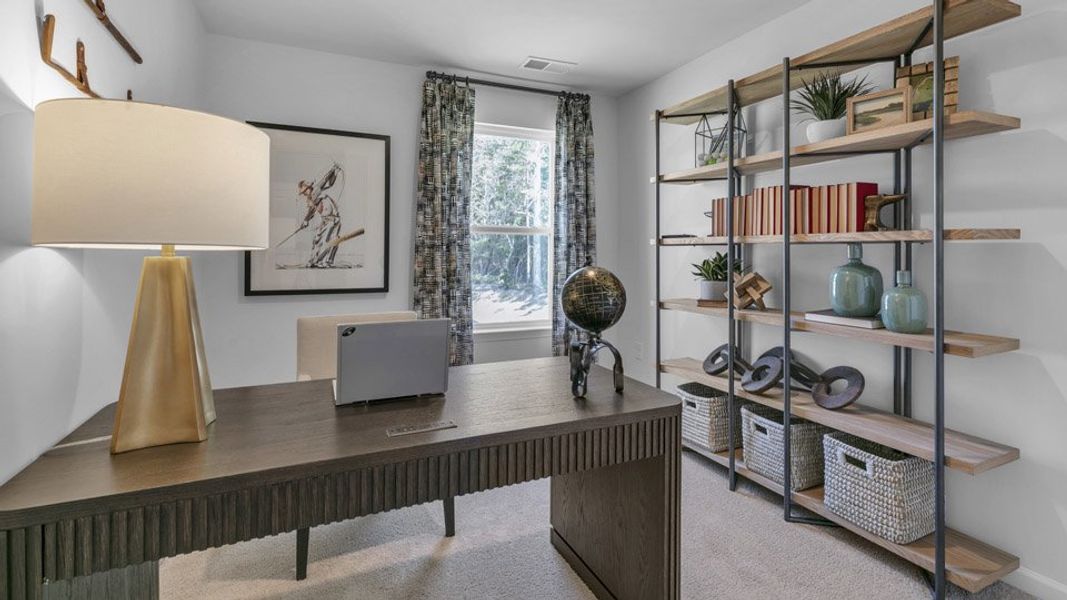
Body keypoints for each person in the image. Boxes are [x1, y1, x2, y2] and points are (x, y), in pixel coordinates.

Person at [296, 163, 344, 268]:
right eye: (303, 193)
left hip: (333, 220)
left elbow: (326, 181)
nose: (304, 194)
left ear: (309, 188)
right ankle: (315, 261)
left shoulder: (316, 190)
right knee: (317, 239)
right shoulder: (310, 198)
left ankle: (327, 261)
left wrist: (333, 171)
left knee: (331, 240)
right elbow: (312, 210)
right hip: (325, 220)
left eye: (305, 191)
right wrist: (306, 221)